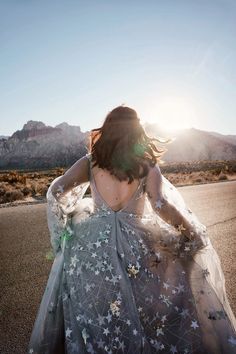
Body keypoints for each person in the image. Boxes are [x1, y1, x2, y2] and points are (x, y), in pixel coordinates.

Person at [27, 106, 236, 354]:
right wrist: (190, 232)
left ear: (108, 130)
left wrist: (66, 227)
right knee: (145, 308)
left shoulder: (91, 162)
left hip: (93, 246)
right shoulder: (145, 165)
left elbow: (56, 192)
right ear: (137, 131)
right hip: (137, 242)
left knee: (101, 310)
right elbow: (160, 205)